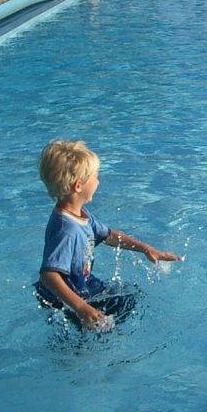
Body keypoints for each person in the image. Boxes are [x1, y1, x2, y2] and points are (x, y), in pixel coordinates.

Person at [35, 140, 181, 331]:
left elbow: (109, 235)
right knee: (104, 325)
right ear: (78, 186)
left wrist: (146, 249)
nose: (98, 182)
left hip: (82, 283)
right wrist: (81, 308)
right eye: (95, 177)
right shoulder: (66, 229)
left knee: (128, 301)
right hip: (60, 296)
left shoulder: (81, 214)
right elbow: (48, 275)